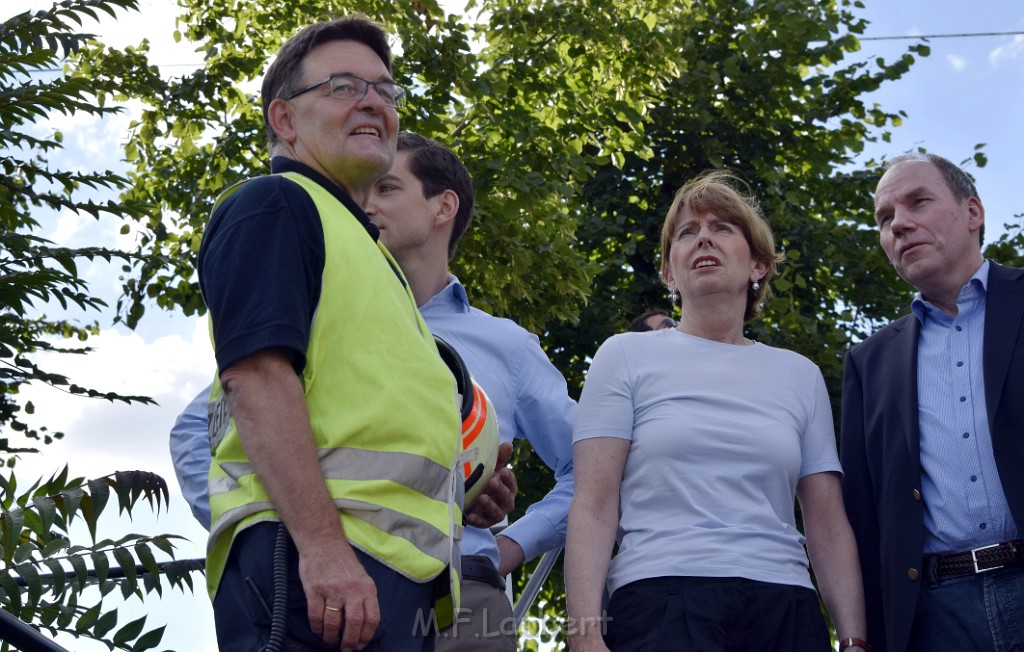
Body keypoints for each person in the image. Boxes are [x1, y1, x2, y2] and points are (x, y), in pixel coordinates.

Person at [172, 131, 574, 650]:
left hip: (461, 597)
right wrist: (271, 525)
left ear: (443, 206)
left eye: (386, 188)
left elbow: (590, 465)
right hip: (318, 585)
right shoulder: (319, 310)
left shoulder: (507, 345)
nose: (365, 204)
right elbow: (198, 429)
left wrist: (510, 541)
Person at [193, 16, 512, 651]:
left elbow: (363, 417)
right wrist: (323, 550)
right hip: (319, 569)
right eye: (342, 86)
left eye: (384, 90)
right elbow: (255, 377)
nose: (372, 100)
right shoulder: (277, 202)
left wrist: (465, 486)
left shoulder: (370, 255)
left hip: (386, 580)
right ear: (284, 120)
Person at [565, 170, 867, 651]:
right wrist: (584, 636)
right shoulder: (623, 355)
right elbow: (594, 505)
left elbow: (826, 521)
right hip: (660, 599)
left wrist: (854, 640)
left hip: (786, 606)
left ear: (759, 265)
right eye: (687, 232)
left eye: (722, 227)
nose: (703, 236)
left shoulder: (800, 375)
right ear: (669, 272)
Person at [840, 152, 1024, 652]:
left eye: (917, 202)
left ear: (972, 213)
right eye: (884, 219)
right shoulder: (867, 363)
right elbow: (862, 513)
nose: (899, 224)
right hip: (936, 619)